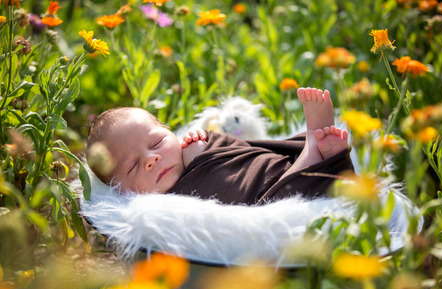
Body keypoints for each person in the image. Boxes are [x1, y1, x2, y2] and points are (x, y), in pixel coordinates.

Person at [85, 87, 354, 205]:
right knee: (281, 198)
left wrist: (202, 151)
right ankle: (315, 153)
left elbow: (241, 152)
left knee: (279, 168)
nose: (151, 159)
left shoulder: (194, 146)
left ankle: (311, 147)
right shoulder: (156, 211)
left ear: (169, 132)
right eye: (133, 166)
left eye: (156, 142)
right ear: (120, 190)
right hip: (266, 196)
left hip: (266, 172)